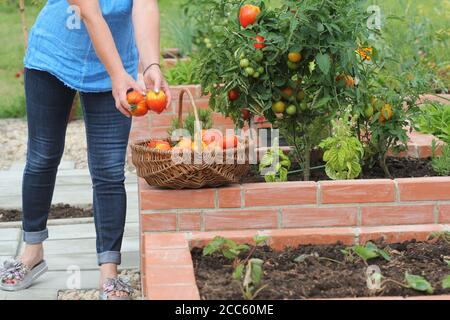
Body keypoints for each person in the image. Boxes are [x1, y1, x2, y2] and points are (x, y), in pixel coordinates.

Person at [0, 0, 171, 300]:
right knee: (42, 156)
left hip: (115, 63)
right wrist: (118, 75)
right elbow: (90, 12)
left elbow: (144, 6)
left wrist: (152, 65)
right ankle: (32, 251)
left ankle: (109, 271)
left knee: (108, 170)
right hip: (53, 57)